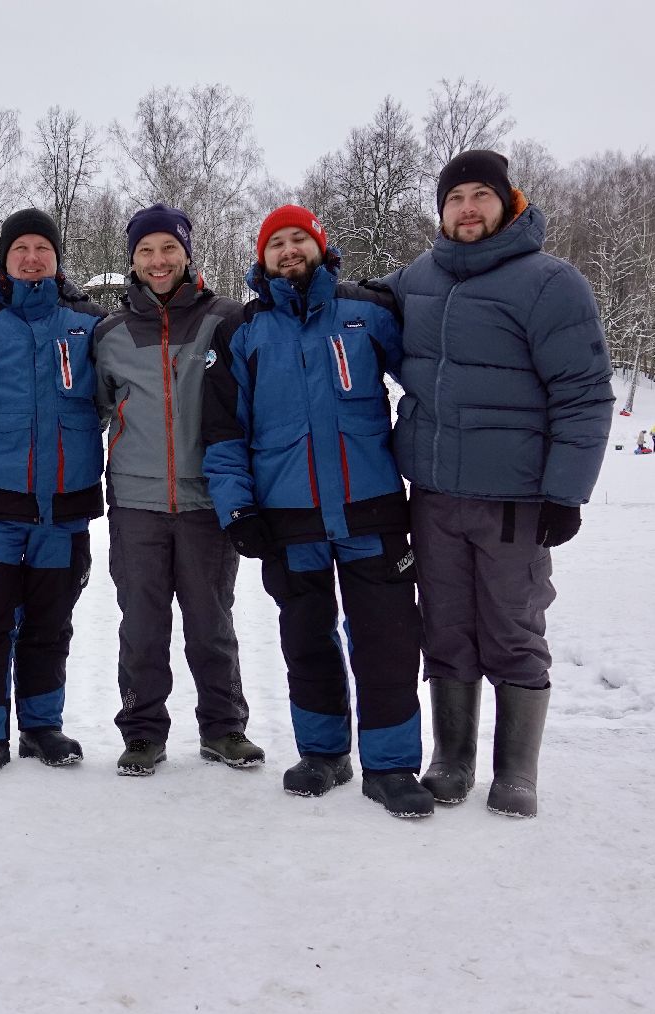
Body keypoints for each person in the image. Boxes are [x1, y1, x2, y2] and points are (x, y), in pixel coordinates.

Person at [381, 149, 613, 817]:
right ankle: (452, 758)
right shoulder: (419, 276)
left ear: (509, 203)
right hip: (432, 494)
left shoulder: (550, 283)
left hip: (515, 499)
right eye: (455, 199)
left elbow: (584, 393)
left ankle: (516, 771)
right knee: (445, 628)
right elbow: (363, 300)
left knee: (513, 628)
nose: (467, 209)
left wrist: (566, 492)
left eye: (481, 195)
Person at [203, 204, 430, 818]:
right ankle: (323, 753)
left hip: (372, 512)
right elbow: (223, 432)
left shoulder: (367, 312)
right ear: (262, 257)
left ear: (320, 246)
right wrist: (238, 510)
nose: (288, 251)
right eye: (275, 243)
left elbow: (429, 384)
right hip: (288, 517)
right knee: (306, 640)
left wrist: (421, 458)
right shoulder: (242, 332)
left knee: (386, 641)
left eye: (298, 239)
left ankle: (391, 765)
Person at [0, 209, 106, 785]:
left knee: (50, 623)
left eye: (43, 249)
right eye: (21, 249)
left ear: (57, 259)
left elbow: (118, 397)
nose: (32, 258)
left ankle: (41, 726)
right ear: (4, 259)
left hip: (65, 510)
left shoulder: (88, 324)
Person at [93, 204, 258, 777]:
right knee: (141, 626)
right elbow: (95, 407)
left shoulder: (226, 319)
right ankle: (142, 731)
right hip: (136, 503)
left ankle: (224, 728)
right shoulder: (110, 334)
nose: (158, 260)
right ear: (133, 260)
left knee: (212, 624)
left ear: (187, 254)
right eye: (146, 251)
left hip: (206, 500)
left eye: (168, 248)